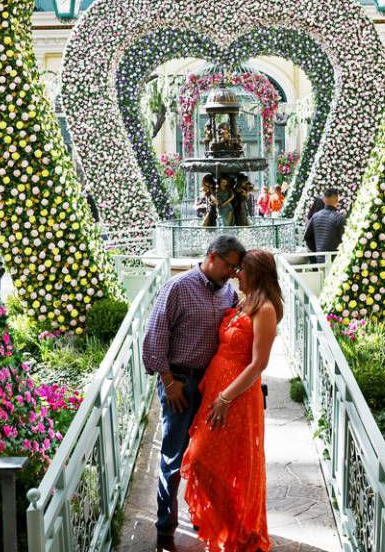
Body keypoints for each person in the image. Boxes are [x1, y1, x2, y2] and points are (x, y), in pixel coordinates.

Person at [143, 236, 246, 551]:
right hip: (180, 384)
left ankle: (208, 522)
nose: (231, 272)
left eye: (235, 268)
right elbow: (154, 337)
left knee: (208, 459)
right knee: (173, 458)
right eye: (228, 265)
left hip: (213, 387)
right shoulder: (179, 287)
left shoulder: (228, 292)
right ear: (212, 256)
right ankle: (165, 533)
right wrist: (168, 381)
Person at [182, 249, 283, 552]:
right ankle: (228, 524)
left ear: (255, 273)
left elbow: (258, 364)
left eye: (241, 270)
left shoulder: (264, 308)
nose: (236, 274)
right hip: (215, 391)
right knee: (208, 460)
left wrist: (226, 397)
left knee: (223, 461)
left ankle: (240, 529)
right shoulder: (242, 301)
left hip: (236, 397)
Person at [304, 187, 346, 256]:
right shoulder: (339, 218)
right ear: (336, 200)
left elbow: (307, 237)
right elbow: (344, 240)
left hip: (320, 259)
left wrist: (318, 251)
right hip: (335, 259)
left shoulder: (315, 216)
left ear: (324, 200)